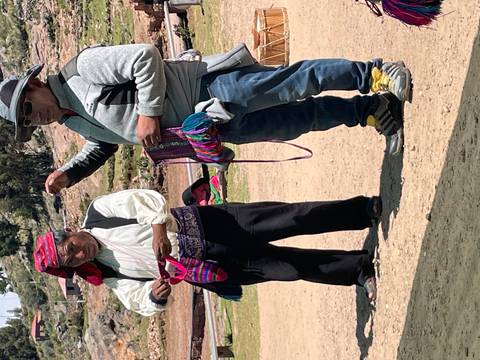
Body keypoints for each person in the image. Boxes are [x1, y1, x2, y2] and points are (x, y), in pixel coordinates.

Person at [0, 44, 412, 194]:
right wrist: (70, 175)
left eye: (29, 109)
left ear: (34, 83)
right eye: (29, 122)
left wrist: (148, 113)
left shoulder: (82, 69)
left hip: (208, 88)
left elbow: (144, 57)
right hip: (205, 128)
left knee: (293, 83)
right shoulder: (71, 120)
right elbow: (106, 142)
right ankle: (372, 111)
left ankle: (374, 72)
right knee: (295, 120)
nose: (37, 119)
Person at [33, 189, 381, 316]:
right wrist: (154, 295)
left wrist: (158, 229)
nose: (79, 255)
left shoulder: (100, 212)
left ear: (70, 232)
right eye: (73, 262)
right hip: (208, 268)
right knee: (287, 268)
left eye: (71, 248)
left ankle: (361, 211)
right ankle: (356, 269)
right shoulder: (109, 275)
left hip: (211, 225)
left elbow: (145, 200)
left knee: (291, 217)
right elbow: (136, 300)